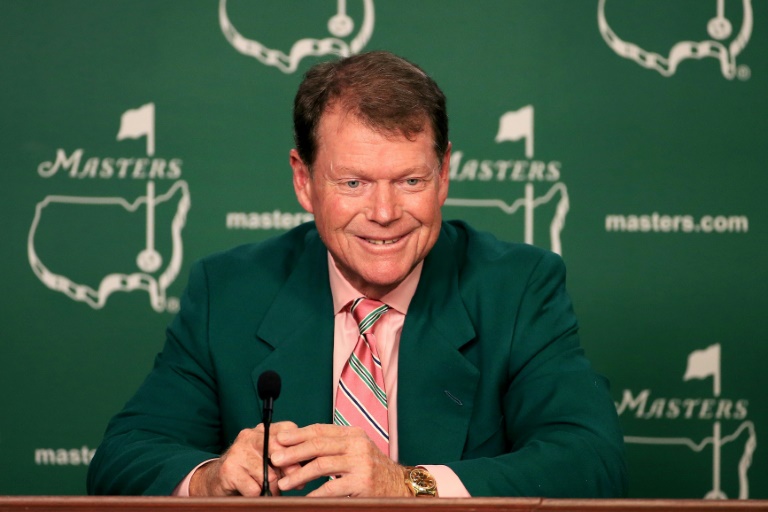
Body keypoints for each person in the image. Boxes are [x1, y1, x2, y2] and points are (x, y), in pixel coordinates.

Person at [87, 50, 628, 498]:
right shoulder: (229, 292)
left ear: (444, 175)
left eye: (411, 181)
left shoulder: (518, 287)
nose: (384, 213)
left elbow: (591, 462)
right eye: (353, 183)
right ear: (304, 181)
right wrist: (211, 479)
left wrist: (408, 485)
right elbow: (123, 459)